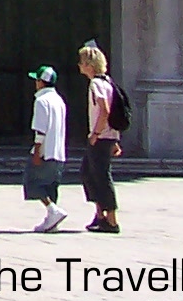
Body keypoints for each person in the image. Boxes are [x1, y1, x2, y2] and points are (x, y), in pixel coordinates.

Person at [77, 42, 120, 233]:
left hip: (101, 137)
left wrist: (95, 134)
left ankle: (111, 220)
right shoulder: (108, 82)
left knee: (101, 176)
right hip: (108, 136)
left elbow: (105, 110)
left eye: (82, 62)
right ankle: (100, 214)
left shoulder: (96, 84)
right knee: (88, 173)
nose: (79, 65)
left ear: (89, 65)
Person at [27, 65, 68, 233]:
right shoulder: (59, 100)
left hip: (46, 151)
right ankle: (52, 220)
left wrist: (37, 151)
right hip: (58, 151)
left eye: (37, 80)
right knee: (51, 185)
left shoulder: (41, 101)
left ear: (41, 82)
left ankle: (53, 211)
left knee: (33, 182)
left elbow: (40, 129)